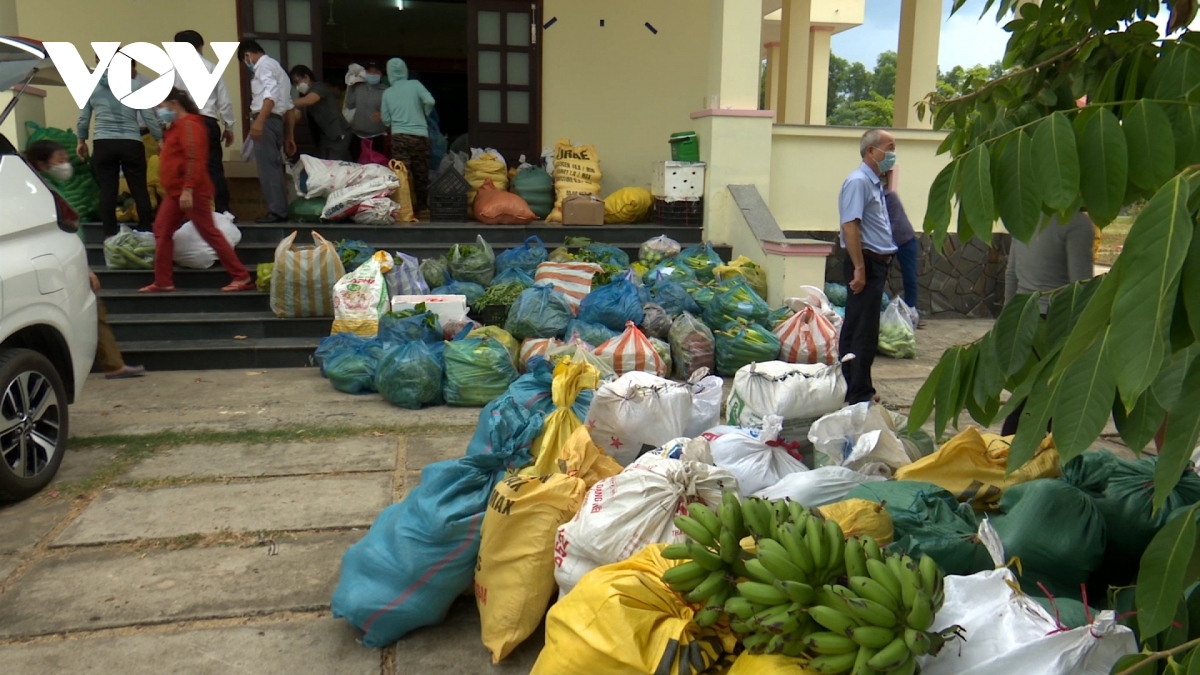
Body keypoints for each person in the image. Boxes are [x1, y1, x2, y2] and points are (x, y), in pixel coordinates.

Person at [25, 140, 145, 379]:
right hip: (60, 263)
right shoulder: (42, 194)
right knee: (94, 310)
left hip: (64, 259)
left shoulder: (45, 189)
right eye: (59, 160)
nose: (65, 165)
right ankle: (111, 364)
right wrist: (84, 268)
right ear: (41, 164)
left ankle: (111, 364)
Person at [139, 89, 252, 294]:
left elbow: (194, 157)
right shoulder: (174, 127)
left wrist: (188, 189)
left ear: (174, 104)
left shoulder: (190, 125)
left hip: (192, 190)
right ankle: (163, 280)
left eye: (161, 106)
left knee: (208, 232)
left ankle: (240, 275)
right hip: (176, 191)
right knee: (162, 230)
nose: (159, 111)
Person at [1000, 210, 1095, 435]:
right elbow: (1080, 285)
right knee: (1053, 396)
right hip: (1055, 320)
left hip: (1023, 317)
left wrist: (1008, 320)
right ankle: (1036, 455)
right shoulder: (1078, 223)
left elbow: (1011, 274)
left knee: (1028, 394)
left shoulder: (1025, 219)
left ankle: (1008, 451)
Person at [837, 128, 898, 405]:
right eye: (889, 147)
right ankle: (858, 392)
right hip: (866, 263)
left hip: (876, 263)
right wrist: (860, 269)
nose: (893, 154)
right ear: (871, 152)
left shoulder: (873, 182)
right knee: (861, 331)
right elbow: (850, 225)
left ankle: (856, 386)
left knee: (863, 328)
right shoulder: (858, 181)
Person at [76, 58, 163, 237]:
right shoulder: (135, 85)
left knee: (108, 189)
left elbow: (83, 118)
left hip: (103, 143)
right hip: (131, 142)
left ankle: (109, 233)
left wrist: (81, 140)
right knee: (139, 188)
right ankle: (145, 229)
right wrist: (159, 139)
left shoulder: (91, 87)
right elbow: (149, 117)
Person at [173, 30, 237, 214]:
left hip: (184, 124)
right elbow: (225, 101)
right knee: (214, 168)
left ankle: (190, 214)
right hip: (208, 122)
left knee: (186, 168)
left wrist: (165, 126)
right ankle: (223, 211)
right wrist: (229, 126)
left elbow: (166, 100)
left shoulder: (173, 69)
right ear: (200, 47)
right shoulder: (211, 67)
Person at [238, 40, 293, 223]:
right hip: (277, 121)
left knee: (268, 169)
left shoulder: (264, 66)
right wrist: (289, 136)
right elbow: (290, 106)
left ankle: (276, 211)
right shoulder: (279, 70)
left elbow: (270, 96)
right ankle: (279, 209)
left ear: (247, 55)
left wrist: (259, 122)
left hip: (267, 119)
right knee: (274, 167)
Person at [381, 58, 435, 215]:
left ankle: (403, 209)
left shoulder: (388, 92)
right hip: (420, 136)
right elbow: (430, 101)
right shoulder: (416, 85)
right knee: (421, 173)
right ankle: (423, 208)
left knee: (401, 173)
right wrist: (424, 113)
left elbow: (386, 119)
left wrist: (395, 121)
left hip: (399, 137)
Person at [286, 64, 353, 161]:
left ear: (306, 77)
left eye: (297, 82)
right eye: (295, 84)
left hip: (338, 133)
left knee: (334, 165)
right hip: (325, 137)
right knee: (329, 164)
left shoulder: (320, 87)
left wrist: (285, 103)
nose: (297, 86)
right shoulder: (305, 97)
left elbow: (310, 100)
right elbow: (297, 114)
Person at [883, 172, 923, 328]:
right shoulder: (875, 198)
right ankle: (885, 310)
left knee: (909, 276)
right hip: (889, 241)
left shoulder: (889, 197)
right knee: (879, 275)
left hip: (905, 240)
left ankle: (911, 312)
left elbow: (893, 222)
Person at [344, 61, 389, 163]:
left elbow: (393, 110)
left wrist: (382, 113)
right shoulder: (359, 87)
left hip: (376, 136)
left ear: (381, 74)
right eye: (369, 72)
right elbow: (349, 104)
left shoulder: (386, 91)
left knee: (374, 168)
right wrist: (351, 84)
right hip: (356, 135)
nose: (372, 74)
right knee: (355, 165)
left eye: (376, 72)